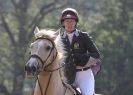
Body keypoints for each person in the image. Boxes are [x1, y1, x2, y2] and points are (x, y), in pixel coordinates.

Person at [59, 8, 101, 95]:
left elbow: (96, 55)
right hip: (67, 76)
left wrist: (82, 57)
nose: (69, 24)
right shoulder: (59, 39)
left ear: (76, 22)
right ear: (63, 23)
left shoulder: (83, 36)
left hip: (84, 74)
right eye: (67, 21)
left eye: (72, 21)